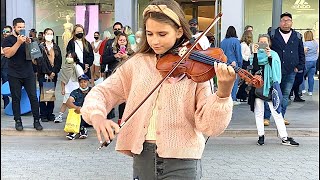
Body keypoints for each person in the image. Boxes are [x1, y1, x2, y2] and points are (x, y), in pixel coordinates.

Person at [81, 0, 235, 179]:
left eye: (162, 34)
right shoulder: (137, 63)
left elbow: (210, 127)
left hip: (183, 162)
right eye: (150, 33)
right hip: (143, 157)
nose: (155, 41)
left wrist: (223, 94)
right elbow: (102, 93)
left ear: (179, 31)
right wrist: (97, 116)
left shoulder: (196, 67)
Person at [248, 34, 299, 147]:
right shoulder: (254, 56)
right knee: (259, 113)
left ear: (269, 43)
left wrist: (269, 56)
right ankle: (261, 136)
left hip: (271, 87)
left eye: (265, 42)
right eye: (260, 42)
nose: (262, 44)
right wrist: (255, 53)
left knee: (277, 112)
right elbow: (255, 68)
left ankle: (284, 137)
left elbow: (275, 70)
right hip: (258, 87)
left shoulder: (274, 55)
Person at [2, 18, 43, 131]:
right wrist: (18, 42)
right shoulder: (8, 40)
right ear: (14, 27)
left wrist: (30, 45)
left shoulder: (29, 39)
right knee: (16, 98)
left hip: (28, 72)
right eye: (19, 27)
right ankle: (18, 121)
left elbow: (35, 58)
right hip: (14, 73)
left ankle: (36, 121)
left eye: (23, 27)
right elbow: (8, 54)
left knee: (33, 97)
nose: (21, 29)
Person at [265, 12, 305, 125]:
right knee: (271, 93)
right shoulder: (272, 34)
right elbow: (264, 48)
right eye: (283, 20)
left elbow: (301, 52)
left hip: (291, 70)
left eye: (288, 20)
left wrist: (299, 66)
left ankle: (281, 117)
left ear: (291, 22)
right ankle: (266, 118)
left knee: (285, 95)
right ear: (280, 22)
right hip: (274, 70)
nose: (285, 22)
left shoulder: (297, 36)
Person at [35, 28, 62, 122]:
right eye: (47, 33)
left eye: (51, 34)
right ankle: (43, 114)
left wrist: (54, 71)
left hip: (53, 74)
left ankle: (50, 113)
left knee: (50, 94)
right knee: (43, 95)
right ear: (44, 35)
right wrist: (48, 72)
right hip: (43, 74)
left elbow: (59, 61)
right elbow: (39, 62)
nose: (49, 35)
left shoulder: (56, 47)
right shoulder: (39, 46)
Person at [101, 22, 124, 120]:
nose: (117, 31)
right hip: (112, 72)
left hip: (124, 74)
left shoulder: (127, 43)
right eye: (115, 29)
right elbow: (104, 58)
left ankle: (122, 119)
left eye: (119, 29)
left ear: (122, 29)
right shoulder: (109, 43)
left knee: (123, 98)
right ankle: (109, 116)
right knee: (110, 95)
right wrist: (114, 56)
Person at [54, 51, 83, 123]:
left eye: (71, 57)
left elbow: (81, 78)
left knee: (76, 103)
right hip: (68, 88)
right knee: (65, 102)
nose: (69, 58)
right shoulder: (64, 67)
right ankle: (60, 116)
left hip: (76, 87)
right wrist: (63, 88)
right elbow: (62, 79)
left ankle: (78, 116)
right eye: (68, 56)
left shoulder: (77, 67)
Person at [220, 26, 243, 105]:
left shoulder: (223, 41)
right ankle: (233, 98)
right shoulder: (236, 41)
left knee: (226, 82)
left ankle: (226, 98)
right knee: (234, 81)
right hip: (233, 64)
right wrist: (240, 65)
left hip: (224, 63)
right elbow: (238, 54)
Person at [65, 74, 91, 140]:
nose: (83, 84)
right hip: (80, 115)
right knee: (73, 106)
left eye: (85, 82)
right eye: (81, 82)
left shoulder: (93, 91)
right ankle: (81, 129)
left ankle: (73, 132)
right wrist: (77, 108)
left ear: (88, 82)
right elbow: (68, 102)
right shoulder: (75, 92)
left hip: (91, 116)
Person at [300, 30, 318, 96]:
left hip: (307, 61)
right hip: (314, 61)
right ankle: (310, 91)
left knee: (301, 76)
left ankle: (303, 89)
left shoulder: (305, 44)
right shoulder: (315, 43)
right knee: (311, 77)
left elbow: (303, 52)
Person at [236, 30, 253, 102]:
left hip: (246, 62)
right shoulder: (243, 45)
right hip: (245, 62)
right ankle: (241, 95)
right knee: (245, 80)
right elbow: (241, 55)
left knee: (245, 80)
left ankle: (242, 95)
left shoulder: (244, 45)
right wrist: (248, 57)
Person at [1, 25, 12, 109]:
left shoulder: (14, 41)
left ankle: (8, 104)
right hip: (3, 64)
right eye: (4, 31)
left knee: (6, 84)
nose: (5, 33)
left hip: (7, 66)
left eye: (7, 31)